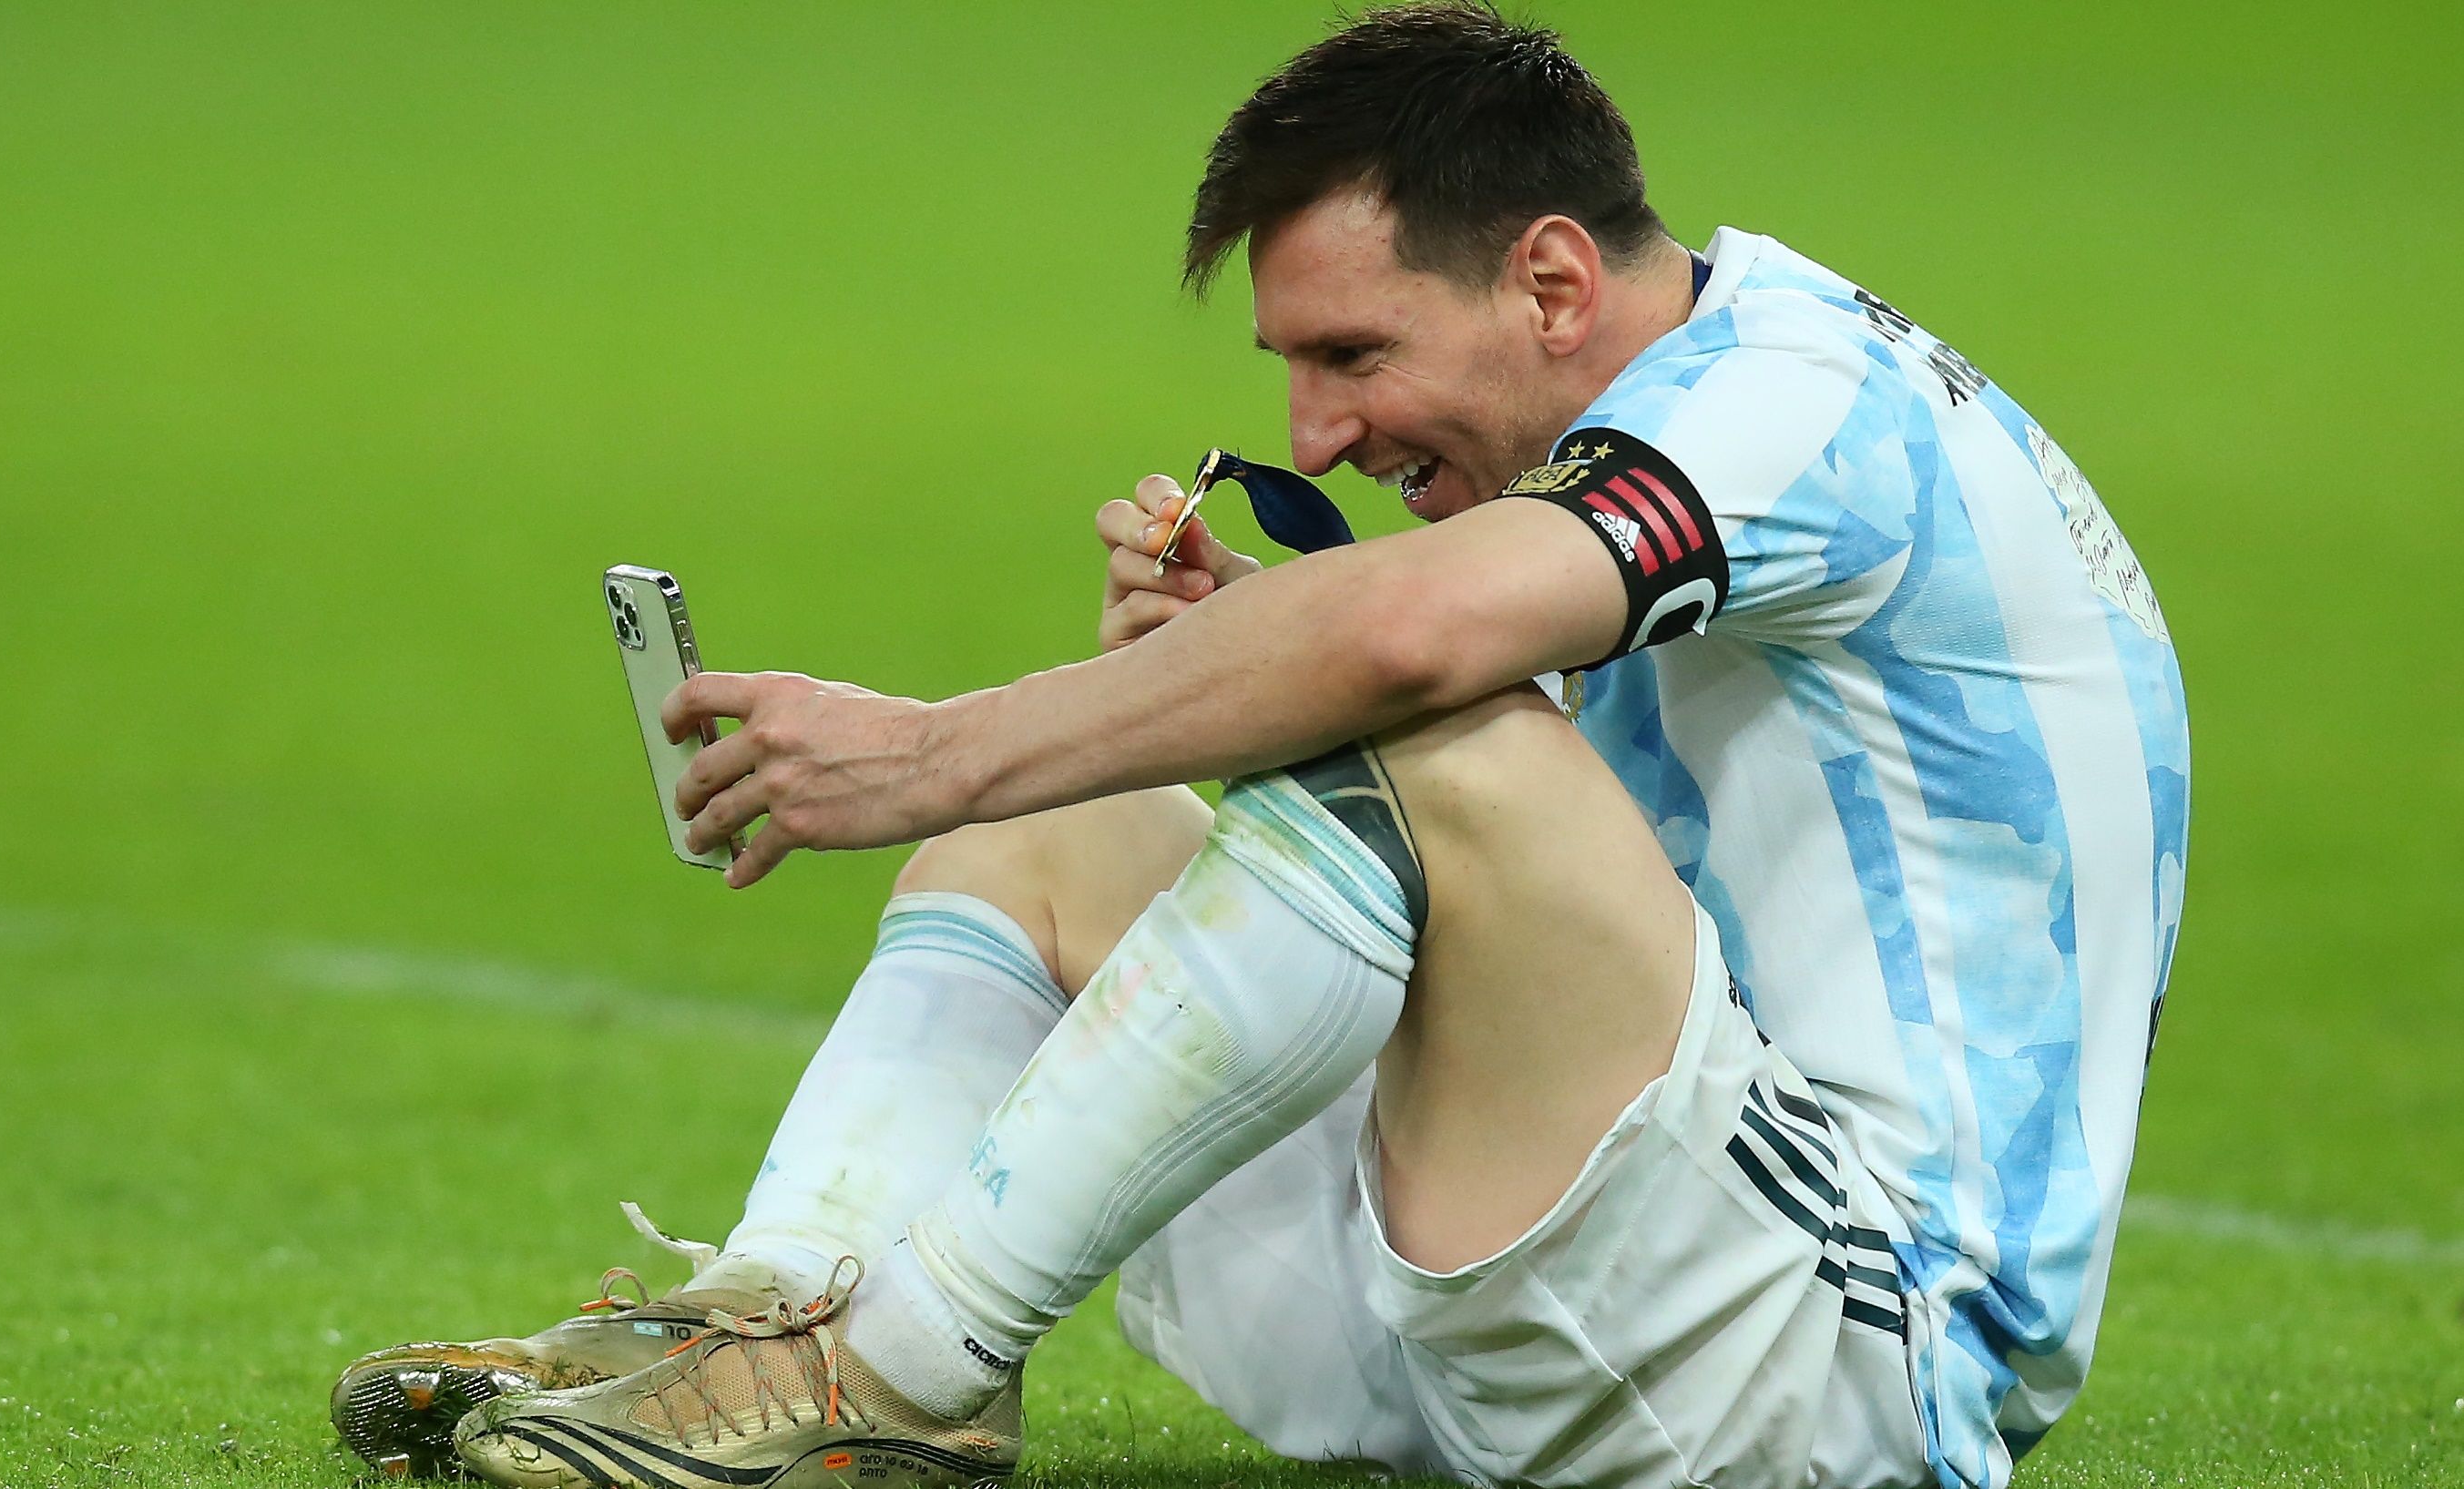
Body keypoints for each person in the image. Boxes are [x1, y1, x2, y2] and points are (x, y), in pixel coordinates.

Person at [332, 5, 2188, 1486]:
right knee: (1049, 839)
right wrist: (1215, 669)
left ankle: (887, 1382)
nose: (1310, 430)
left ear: (1551, 282)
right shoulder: (1694, 426)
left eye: (1352, 354)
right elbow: (1564, 817)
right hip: (1616, 1258)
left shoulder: (1802, 398)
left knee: (1408, 728)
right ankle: (760, 1326)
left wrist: (938, 746)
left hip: (1839, 1362)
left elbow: (1415, 649)